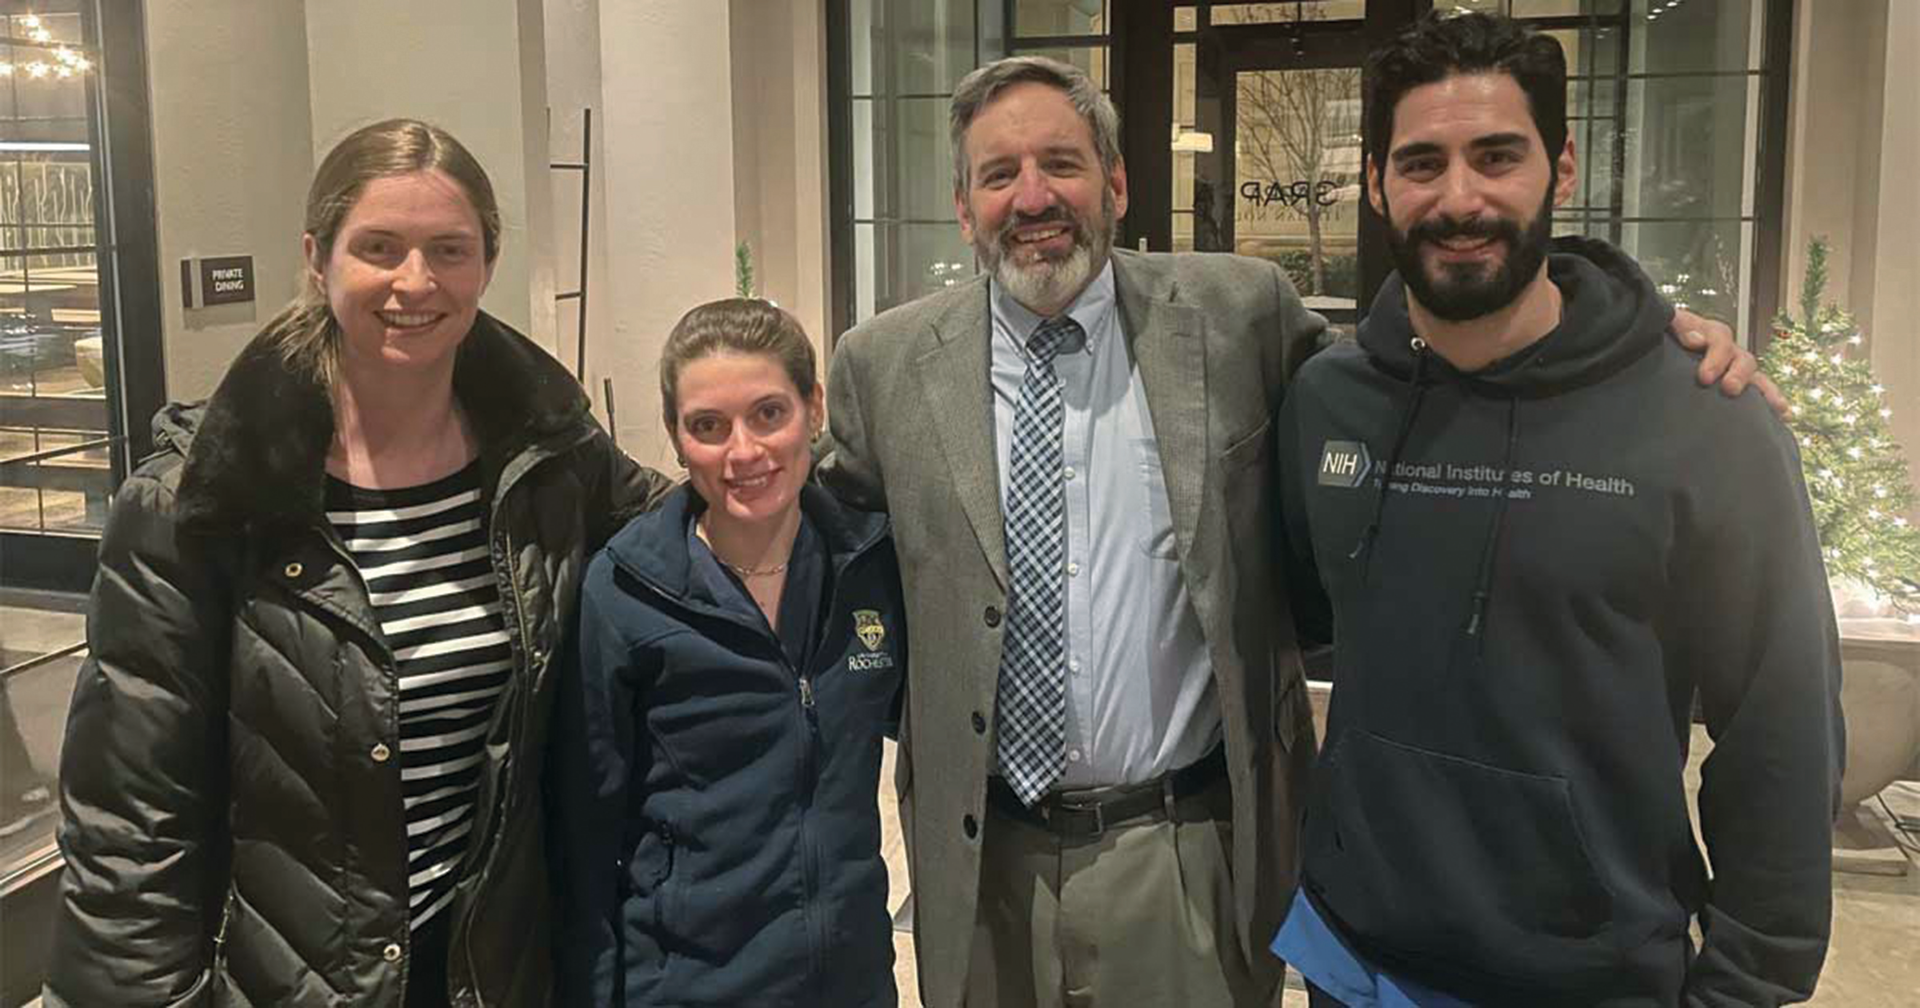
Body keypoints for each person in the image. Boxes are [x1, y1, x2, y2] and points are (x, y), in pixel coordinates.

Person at [817, 54, 1766, 1008]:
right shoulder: (881, 366)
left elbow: (1426, 364)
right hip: (981, 861)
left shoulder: (1243, 314)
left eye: (1062, 163)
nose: (1033, 197)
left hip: (1187, 855)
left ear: (1117, 183)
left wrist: (1625, 333)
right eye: (999, 174)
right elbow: (812, 548)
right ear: (963, 205)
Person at [1271, 13, 1843, 1007]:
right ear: (1375, 184)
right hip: (1356, 960)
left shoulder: (1705, 420)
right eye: (1421, 163)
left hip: (1593, 977)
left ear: (1562, 168)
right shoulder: (1328, 400)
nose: (1460, 198)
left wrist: (1751, 981)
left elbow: (1781, 728)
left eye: (1497, 156)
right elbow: (1312, 622)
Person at [45, 119, 670, 1008]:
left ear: (486, 265)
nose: (415, 282)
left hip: (493, 970)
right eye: (379, 247)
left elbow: (688, 529)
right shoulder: (200, 499)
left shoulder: (550, 458)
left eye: (448, 250)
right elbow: (130, 822)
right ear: (318, 257)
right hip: (285, 978)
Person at [550, 298, 906, 1007]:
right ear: (676, 438)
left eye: (768, 413)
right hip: (689, 984)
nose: (743, 452)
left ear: (814, 407)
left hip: (853, 980)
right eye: (708, 426)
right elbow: (581, 840)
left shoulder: (869, 567)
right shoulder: (625, 595)